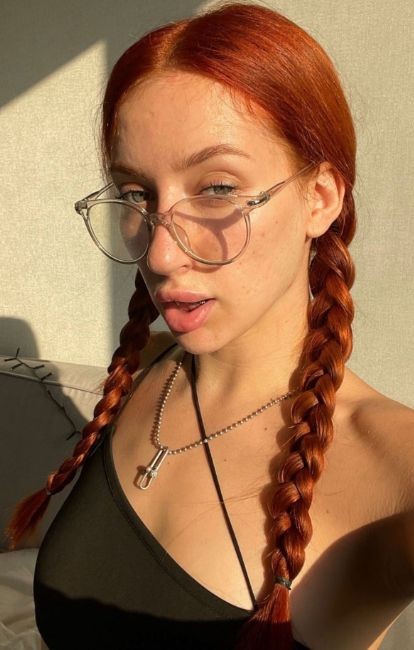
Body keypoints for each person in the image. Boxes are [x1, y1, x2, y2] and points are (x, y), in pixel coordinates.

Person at [5, 2, 414, 649]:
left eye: (218, 189)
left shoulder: (390, 470)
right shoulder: (150, 370)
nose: (161, 254)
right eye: (137, 194)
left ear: (320, 198)